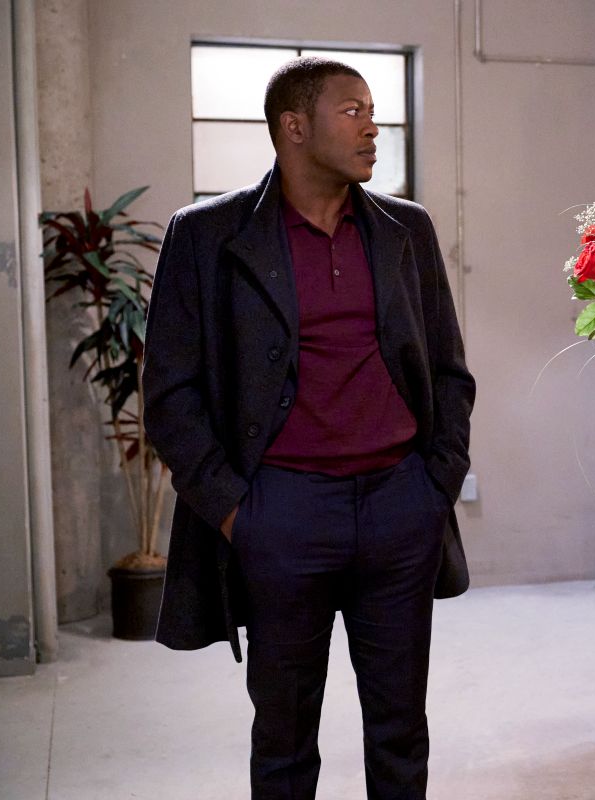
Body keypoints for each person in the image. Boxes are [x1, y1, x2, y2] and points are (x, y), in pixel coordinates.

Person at [143, 56, 475, 799]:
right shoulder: (206, 235)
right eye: (353, 111)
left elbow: (449, 372)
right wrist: (236, 512)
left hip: (399, 507)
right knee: (284, 737)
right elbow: (169, 395)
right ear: (294, 127)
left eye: (373, 111)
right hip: (281, 511)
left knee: (400, 729)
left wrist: (435, 488)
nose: (372, 127)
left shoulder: (406, 229)